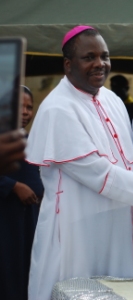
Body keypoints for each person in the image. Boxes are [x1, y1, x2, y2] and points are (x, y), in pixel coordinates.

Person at [25, 26, 133, 300]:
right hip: (76, 230)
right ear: (68, 64)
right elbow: (101, 176)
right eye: (89, 57)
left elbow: (127, 165)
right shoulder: (58, 108)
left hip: (117, 225)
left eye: (105, 56)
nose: (100, 64)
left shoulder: (112, 100)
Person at [0, 86, 43, 300]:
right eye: (20, 107)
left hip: (27, 221)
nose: (26, 112)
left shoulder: (29, 138)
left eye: (29, 107)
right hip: (6, 222)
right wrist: (14, 186)